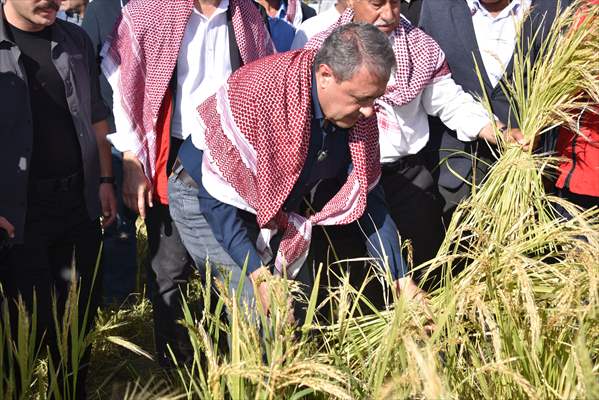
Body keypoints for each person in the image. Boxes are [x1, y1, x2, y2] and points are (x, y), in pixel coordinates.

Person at [171, 22, 424, 320]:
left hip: (274, 207)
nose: (370, 111)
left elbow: (367, 197)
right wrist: (259, 277)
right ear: (326, 75)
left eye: (374, 98)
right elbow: (217, 201)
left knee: (300, 308)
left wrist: (399, 278)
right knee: (263, 315)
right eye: (361, 99)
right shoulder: (262, 95)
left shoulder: (356, 114)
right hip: (207, 197)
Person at [102, 0, 273, 366]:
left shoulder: (247, 13)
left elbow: (264, 80)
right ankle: (176, 366)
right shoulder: (152, 10)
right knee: (170, 266)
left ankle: (235, 360)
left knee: (233, 257)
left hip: (233, 153)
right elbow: (124, 83)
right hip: (172, 149)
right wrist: (132, 157)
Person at [304, 0, 526, 273]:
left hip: (406, 180)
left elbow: (448, 100)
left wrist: (496, 130)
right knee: (354, 275)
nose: (388, 14)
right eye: (377, 4)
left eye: (395, 3)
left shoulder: (420, 46)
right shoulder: (322, 47)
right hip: (342, 180)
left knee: (420, 268)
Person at [0, 0, 115, 398]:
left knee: (78, 317)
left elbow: (96, 115)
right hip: (19, 218)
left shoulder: (76, 40)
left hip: (77, 207)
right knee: (26, 325)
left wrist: (104, 178)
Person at [419, 0, 565, 224]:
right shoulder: (435, 6)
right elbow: (432, 86)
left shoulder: (556, 7)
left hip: (531, 177)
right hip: (458, 180)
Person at [82, 0, 136, 306]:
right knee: (117, 226)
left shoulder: (170, 7)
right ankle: (119, 301)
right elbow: (86, 72)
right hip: (114, 135)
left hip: (159, 137)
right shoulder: (102, 9)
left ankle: (164, 295)